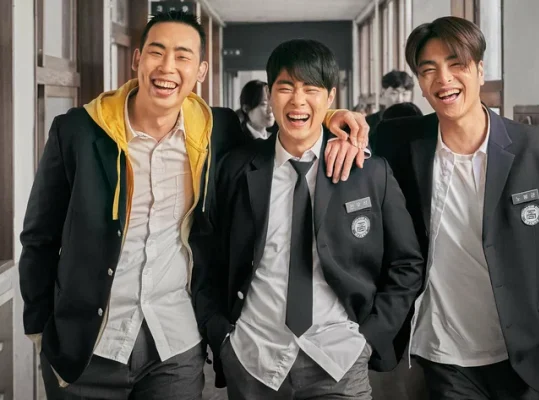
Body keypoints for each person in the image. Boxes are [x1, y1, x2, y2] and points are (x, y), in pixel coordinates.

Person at [18, 11, 370, 400]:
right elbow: (40, 235)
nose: (167, 67)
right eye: (157, 52)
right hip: (88, 346)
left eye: (183, 56)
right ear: (137, 59)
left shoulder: (217, 131)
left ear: (201, 71)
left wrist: (333, 118)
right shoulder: (78, 131)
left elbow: (287, 137)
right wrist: (38, 327)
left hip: (175, 346)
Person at [194, 39, 425, 400]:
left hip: (340, 359)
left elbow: (407, 264)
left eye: (311, 89)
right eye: (285, 87)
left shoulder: (368, 172)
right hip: (253, 357)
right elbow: (205, 255)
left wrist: (369, 338)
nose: (298, 101)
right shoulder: (235, 169)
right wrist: (221, 334)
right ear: (270, 95)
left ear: (331, 96)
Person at [374, 16, 539, 400]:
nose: (444, 79)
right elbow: (331, 139)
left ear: (479, 69)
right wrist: (337, 121)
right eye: (429, 70)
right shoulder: (399, 144)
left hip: (525, 356)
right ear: (419, 82)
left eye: (456, 64)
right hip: (443, 357)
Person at [366, 70, 414, 147]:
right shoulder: (368, 123)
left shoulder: (417, 122)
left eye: (405, 94)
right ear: (383, 92)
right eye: (394, 93)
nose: (400, 99)